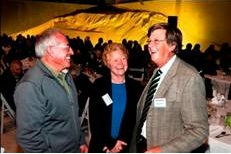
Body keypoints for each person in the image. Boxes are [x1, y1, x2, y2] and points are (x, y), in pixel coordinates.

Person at [130, 23, 209, 153]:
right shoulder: (157, 72)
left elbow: (199, 131)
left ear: (172, 45)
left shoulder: (189, 77)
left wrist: (162, 150)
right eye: (149, 41)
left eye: (156, 41)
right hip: (141, 145)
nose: (150, 45)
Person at [14, 28, 88, 153]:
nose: (72, 51)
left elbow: (71, 115)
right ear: (50, 50)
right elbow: (29, 138)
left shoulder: (65, 74)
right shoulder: (30, 86)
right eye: (67, 47)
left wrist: (80, 140)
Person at [88, 42, 143, 152]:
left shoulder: (136, 87)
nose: (121, 64)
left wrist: (120, 144)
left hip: (125, 145)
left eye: (123, 58)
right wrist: (108, 145)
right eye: (115, 60)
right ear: (107, 63)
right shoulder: (99, 85)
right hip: (101, 146)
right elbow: (95, 120)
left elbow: (133, 120)